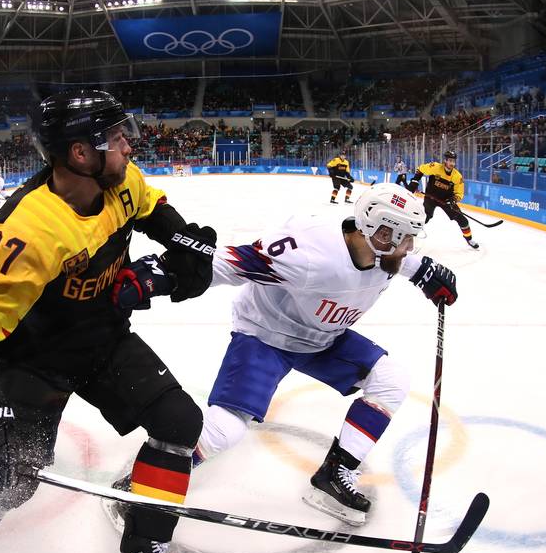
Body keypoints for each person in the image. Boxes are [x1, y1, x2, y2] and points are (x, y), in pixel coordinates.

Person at [0, 90, 219, 553]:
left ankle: (144, 551)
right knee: (6, 483)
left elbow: (151, 205)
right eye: (116, 138)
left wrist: (185, 243)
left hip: (102, 338)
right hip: (34, 360)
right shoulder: (24, 229)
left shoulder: (119, 180)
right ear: (80, 153)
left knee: (178, 423)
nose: (128, 146)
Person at [113, 183, 458, 527]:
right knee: (225, 431)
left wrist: (425, 272)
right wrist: (165, 276)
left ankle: (334, 475)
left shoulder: (383, 253)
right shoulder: (311, 253)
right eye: (405, 239)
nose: (410, 248)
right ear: (382, 235)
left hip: (323, 339)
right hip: (266, 337)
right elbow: (231, 264)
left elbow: (406, 261)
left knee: (390, 378)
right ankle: (142, 486)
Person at [411, 149, 478, 249]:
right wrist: (415, 180)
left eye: (453, 161)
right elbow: (421, 169)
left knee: (463, 220)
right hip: (431, 198)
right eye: (450, 161)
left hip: (446, 201)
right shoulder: (435, 167)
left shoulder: (457, 176)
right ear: (445, 161)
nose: (452, 163)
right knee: (425, 217)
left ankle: (469, 239)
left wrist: (454, 199)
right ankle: (411, 233)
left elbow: (460, 193)